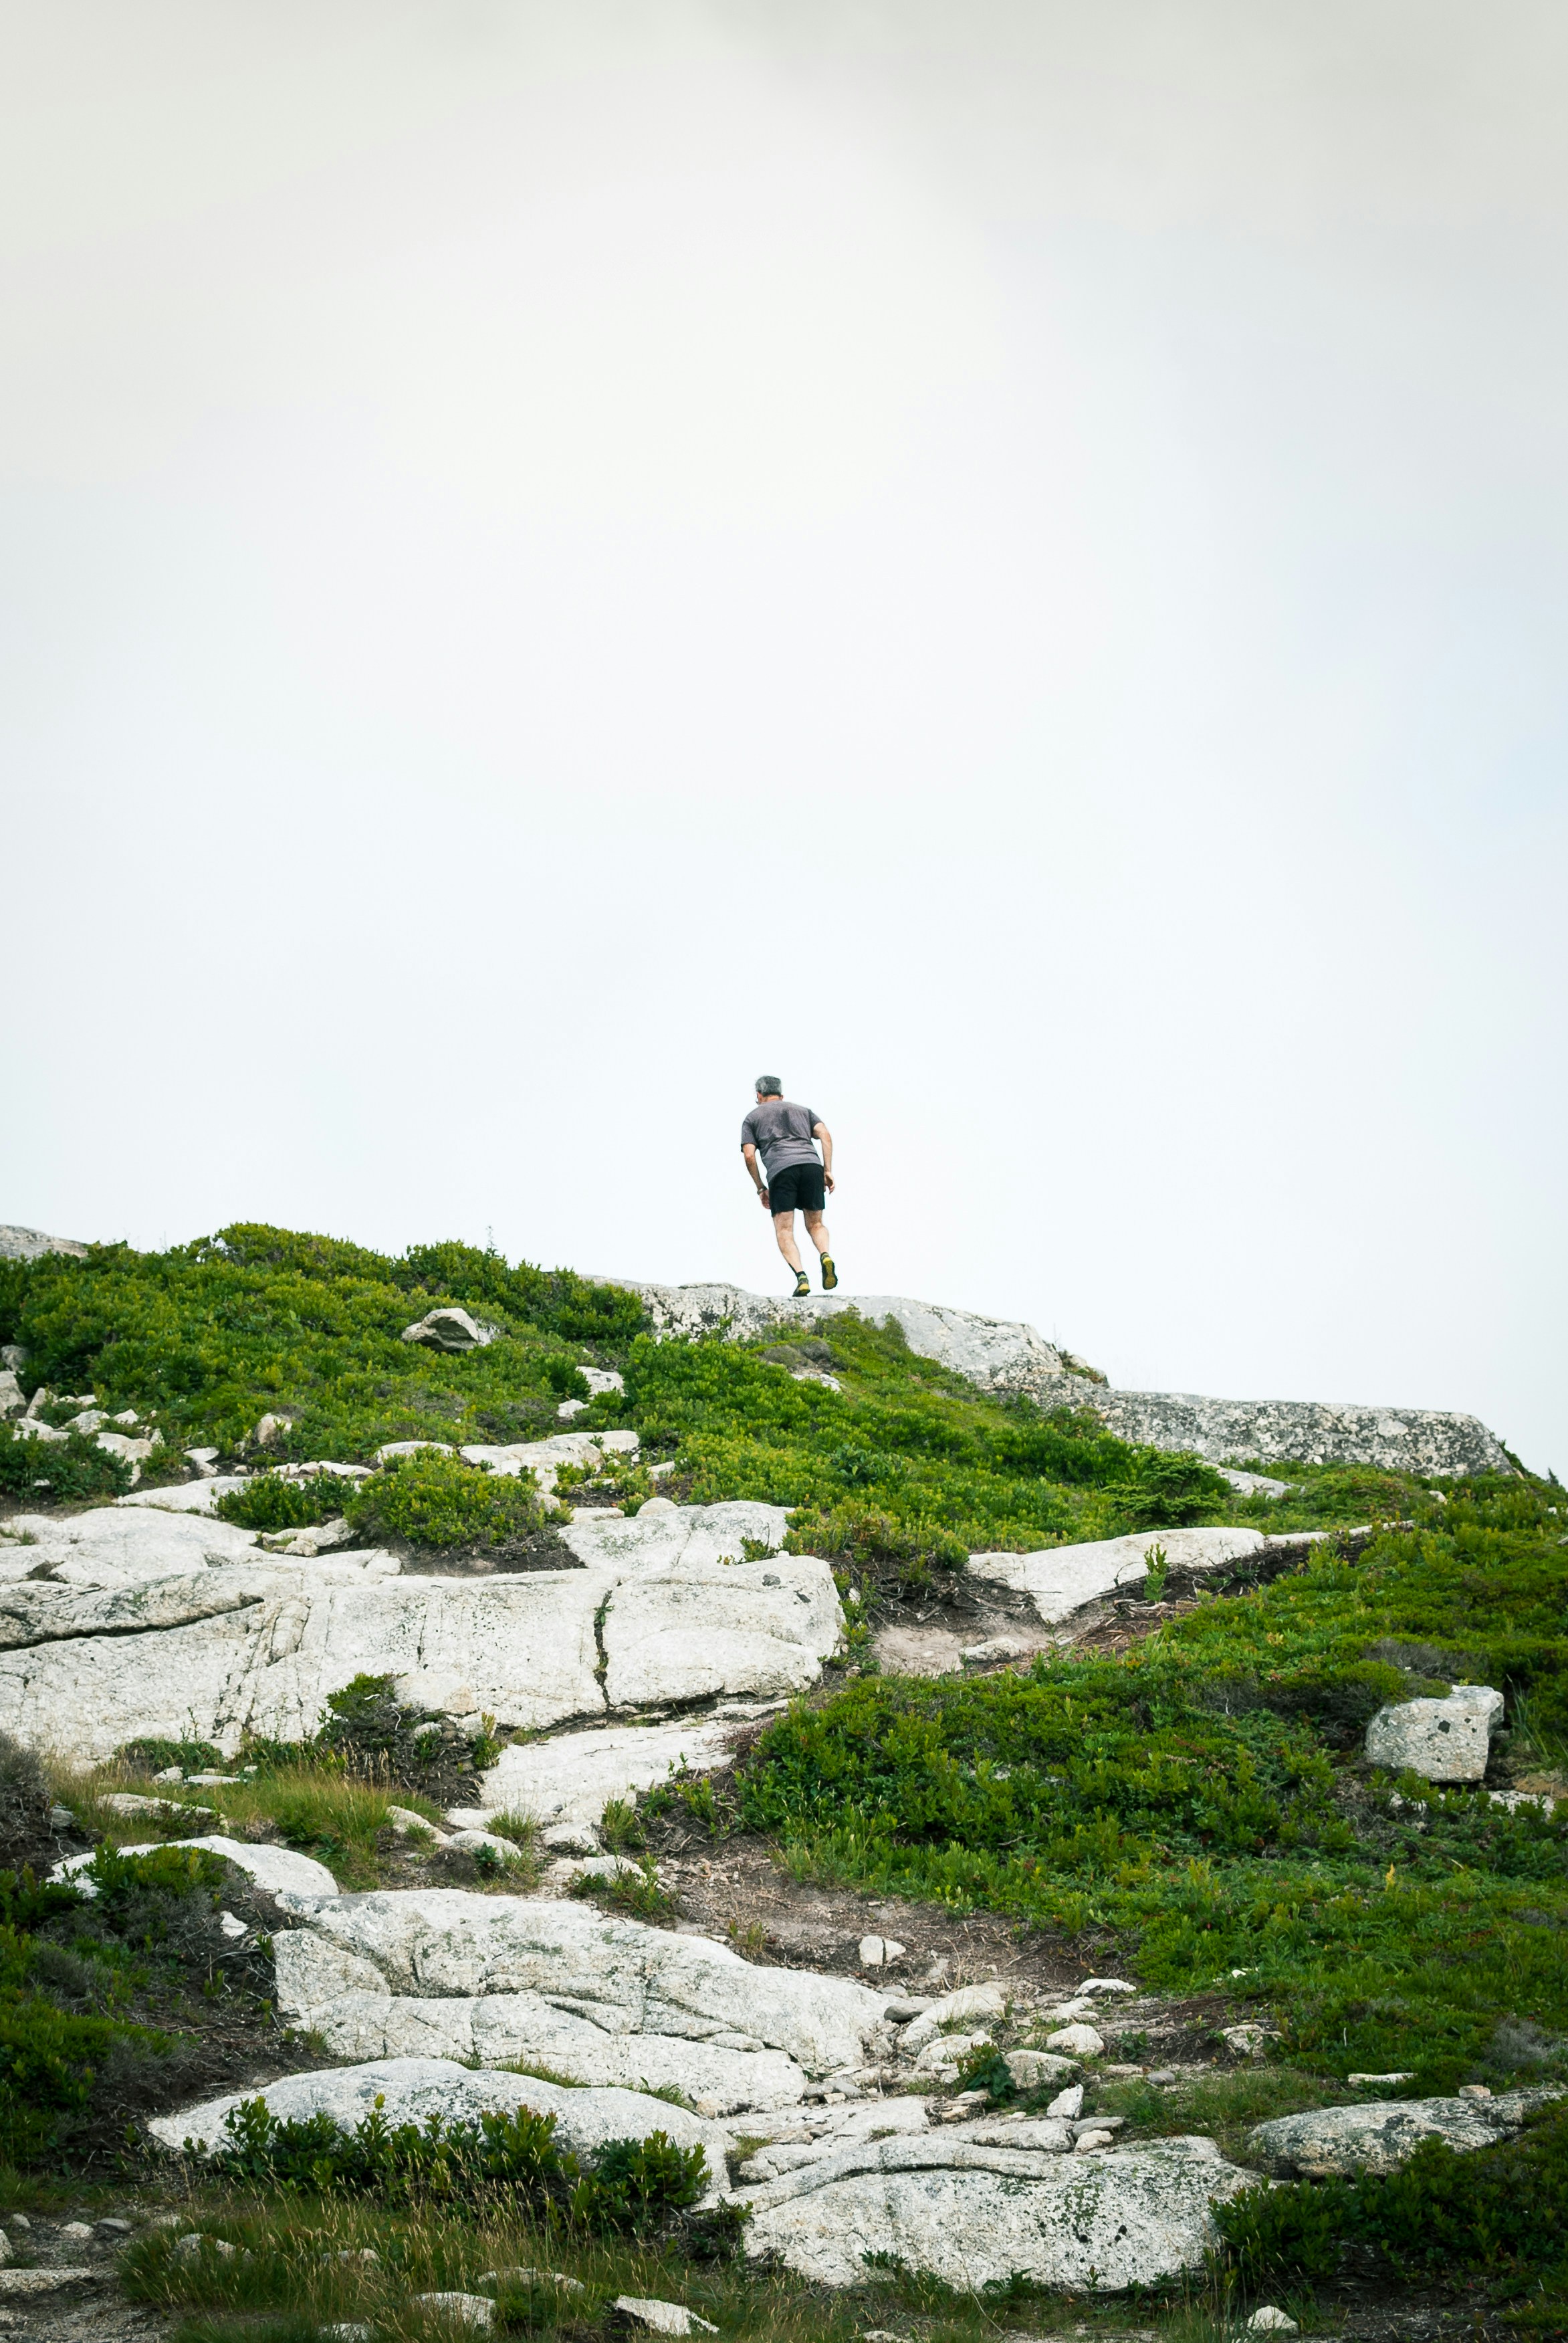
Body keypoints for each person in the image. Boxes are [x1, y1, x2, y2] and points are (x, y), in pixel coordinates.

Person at [740, 1077, 837, 1298]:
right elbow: (825, 1135)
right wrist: (827, 1170)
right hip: (812, 1166)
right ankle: (825, 1255)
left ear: (758, 1095)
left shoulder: (751, 1119)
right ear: (781, 1095)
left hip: (781, 1171)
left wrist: (760, 1188)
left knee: (784, 1231)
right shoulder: (804, 1111)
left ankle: (802, 1277)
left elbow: (749, 1156)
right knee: (816, 1224)